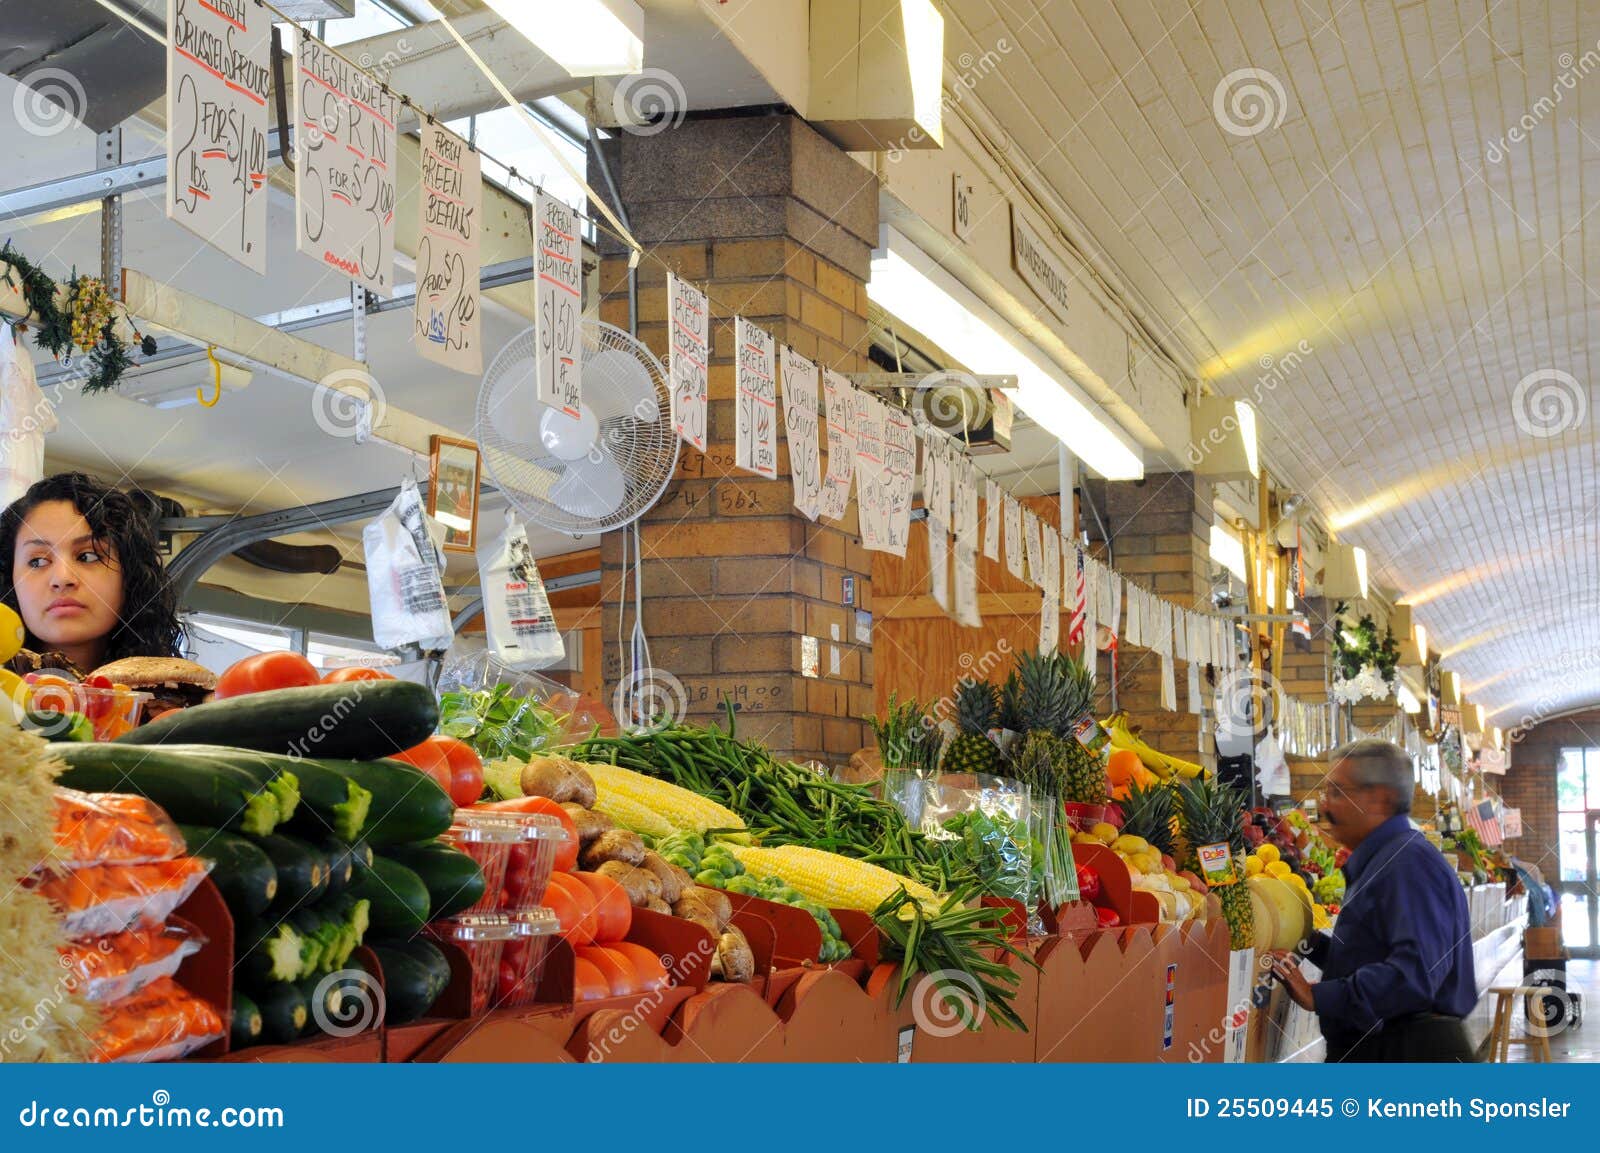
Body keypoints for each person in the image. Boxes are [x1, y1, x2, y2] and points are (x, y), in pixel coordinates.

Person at [1270, 739, 1477, 1061]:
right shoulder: (1386, 859)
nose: (1325, 807)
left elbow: (1416, 973)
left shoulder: (1407, 863)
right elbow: (1372, 956)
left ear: (1380, 800)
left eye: (1337, 792)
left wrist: (1318, 996)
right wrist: (1303, 940)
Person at [0, 472, 182, 678]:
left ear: (130, 574)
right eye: (38, 561)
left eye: (87, 556)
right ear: (10, 579)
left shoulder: (177, 702)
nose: (62, 578)